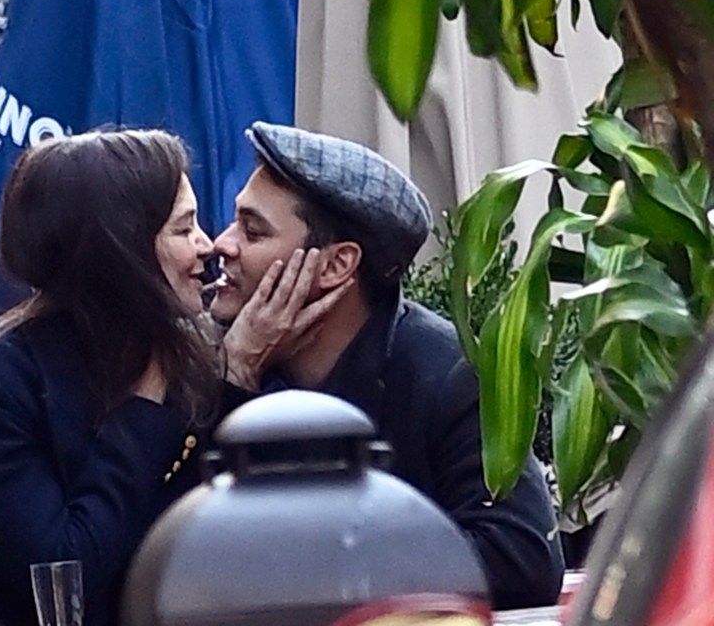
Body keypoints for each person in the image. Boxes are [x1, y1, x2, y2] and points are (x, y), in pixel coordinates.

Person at [213, 122, 566, 610]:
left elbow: (522, 556)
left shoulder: (444, 374)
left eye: (252, 231)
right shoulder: (211, 357)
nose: (221, 245)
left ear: (336, 266)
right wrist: (235, 378)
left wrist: (319, 575)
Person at [0, 129, 218, 626]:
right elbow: (63, 579)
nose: (208, 245)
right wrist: (142, 409)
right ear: (123, 250)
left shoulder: (193, 358)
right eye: (184, 228)